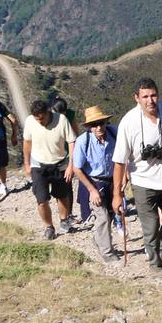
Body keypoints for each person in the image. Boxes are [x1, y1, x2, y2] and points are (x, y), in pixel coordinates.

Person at [113, 78, 162, 275]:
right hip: (143, 181)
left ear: (158, 94)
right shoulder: (128, 123)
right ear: (136, 98)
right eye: (145, 96)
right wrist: (116, 194)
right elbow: (120, 160)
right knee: (151, 225)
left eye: (153, 95)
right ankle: (155, 264)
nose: (150, 100)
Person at [72, 105, 121, 262]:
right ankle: (107, 253)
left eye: (101, 123)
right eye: (94, 125)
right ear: (89, 127)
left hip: (112, 181)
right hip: (94, 182)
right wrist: (92, 190)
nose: (99, 127)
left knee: (112, 213)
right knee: (103, 217)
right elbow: (77, 169)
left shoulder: (115, 133)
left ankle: (99, 240)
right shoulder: (82, 141)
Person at [23, 99, 77, 240]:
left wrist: (71, 165)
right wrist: (27, 163)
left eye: (42, 117)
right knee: (41, 199)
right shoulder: (30, 121)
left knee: (62, 195)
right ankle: (49, 227)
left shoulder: (62, 120)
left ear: (48, 112)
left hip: (59, 163)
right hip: (38, 165)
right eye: (37, 118)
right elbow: (27, 142)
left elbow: (72, 141)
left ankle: (64, 220)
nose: (40, 121)